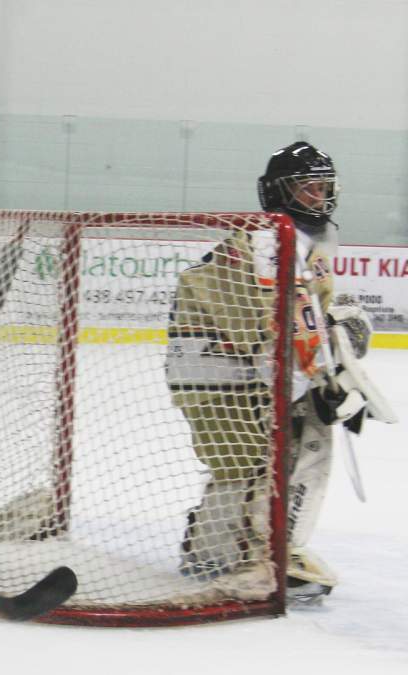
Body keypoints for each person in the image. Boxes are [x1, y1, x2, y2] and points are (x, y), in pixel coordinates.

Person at [166, 141, 391, 605]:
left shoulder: (304, 244)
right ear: (278, 192)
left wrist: (339, 351)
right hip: (217, 373)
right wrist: (319, 382)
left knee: (294, 445)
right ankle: (242, 551)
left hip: (254, 369)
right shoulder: (262, 243)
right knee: (247, 461)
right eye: (308, 188)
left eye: (324, 188)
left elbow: (311, 319)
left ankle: (235, 547)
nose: (319, 198)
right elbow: (267, 330)